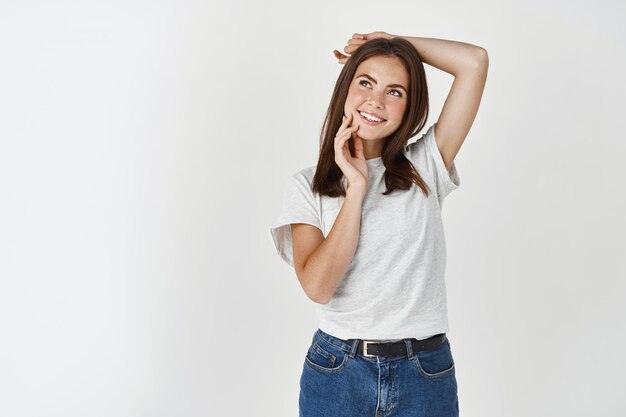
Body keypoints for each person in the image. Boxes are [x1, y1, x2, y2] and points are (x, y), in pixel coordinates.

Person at [269, 31, 488, 417]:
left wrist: (393, 41)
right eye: (366, 82)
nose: (376, 100)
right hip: (337, 371)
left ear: (409, 108)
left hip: (424, 371)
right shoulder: (307, 186)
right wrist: (356, 188)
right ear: (345, 88)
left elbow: (474, 62)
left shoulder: (426, 165)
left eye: (395, 92)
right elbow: (319, 287)